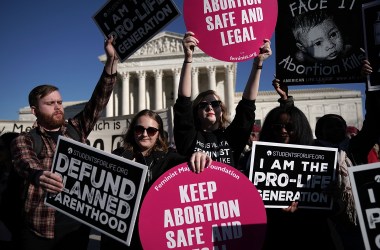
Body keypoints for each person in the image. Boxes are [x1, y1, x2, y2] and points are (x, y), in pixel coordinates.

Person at [10, 36, 119, 250]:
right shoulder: (24, 140)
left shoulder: (76, 128)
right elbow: (25, 161)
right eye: (50, 103)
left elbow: (100, 99)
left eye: (59, 102)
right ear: (35, 110)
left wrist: (111, 62)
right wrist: (39, 175)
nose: (58, 107)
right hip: (40, 230)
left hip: (77, 229)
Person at [100, 109, 212, 249]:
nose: (145, 134)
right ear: (132, 130)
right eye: (139, 129)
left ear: (158, 133)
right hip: (119, 236)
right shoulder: (118, 155)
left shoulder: (169, 157)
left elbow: (188, 163)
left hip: (152, 235)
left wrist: (198, 155)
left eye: (151, 130)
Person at [253, 79, 337, 250]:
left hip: (312, 234)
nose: (283, 130)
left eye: (289, 127)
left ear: (298, 128)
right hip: (274, 234)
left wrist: (333, 192)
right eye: (278, 127)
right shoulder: (257, 158)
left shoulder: (317, 155)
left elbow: (330, 208)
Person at [173, 31, 272, 170]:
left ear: (221, 111)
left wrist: (258, 63)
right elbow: (183, 102)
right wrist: (188, 58)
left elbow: (247, 107)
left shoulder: (231, 138)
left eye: (215, 104)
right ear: (196, 112)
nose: (210, 107)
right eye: (203, 105)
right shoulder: (189, 138)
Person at [313, 59, 380, 250]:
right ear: (319, 131)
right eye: (329, 125)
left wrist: (370, 84)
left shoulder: (355, 147)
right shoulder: (312, 153)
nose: (336, 128)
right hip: (327, 218)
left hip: (359, 215)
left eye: (339, 124)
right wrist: (286, 100)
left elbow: (374, 122)